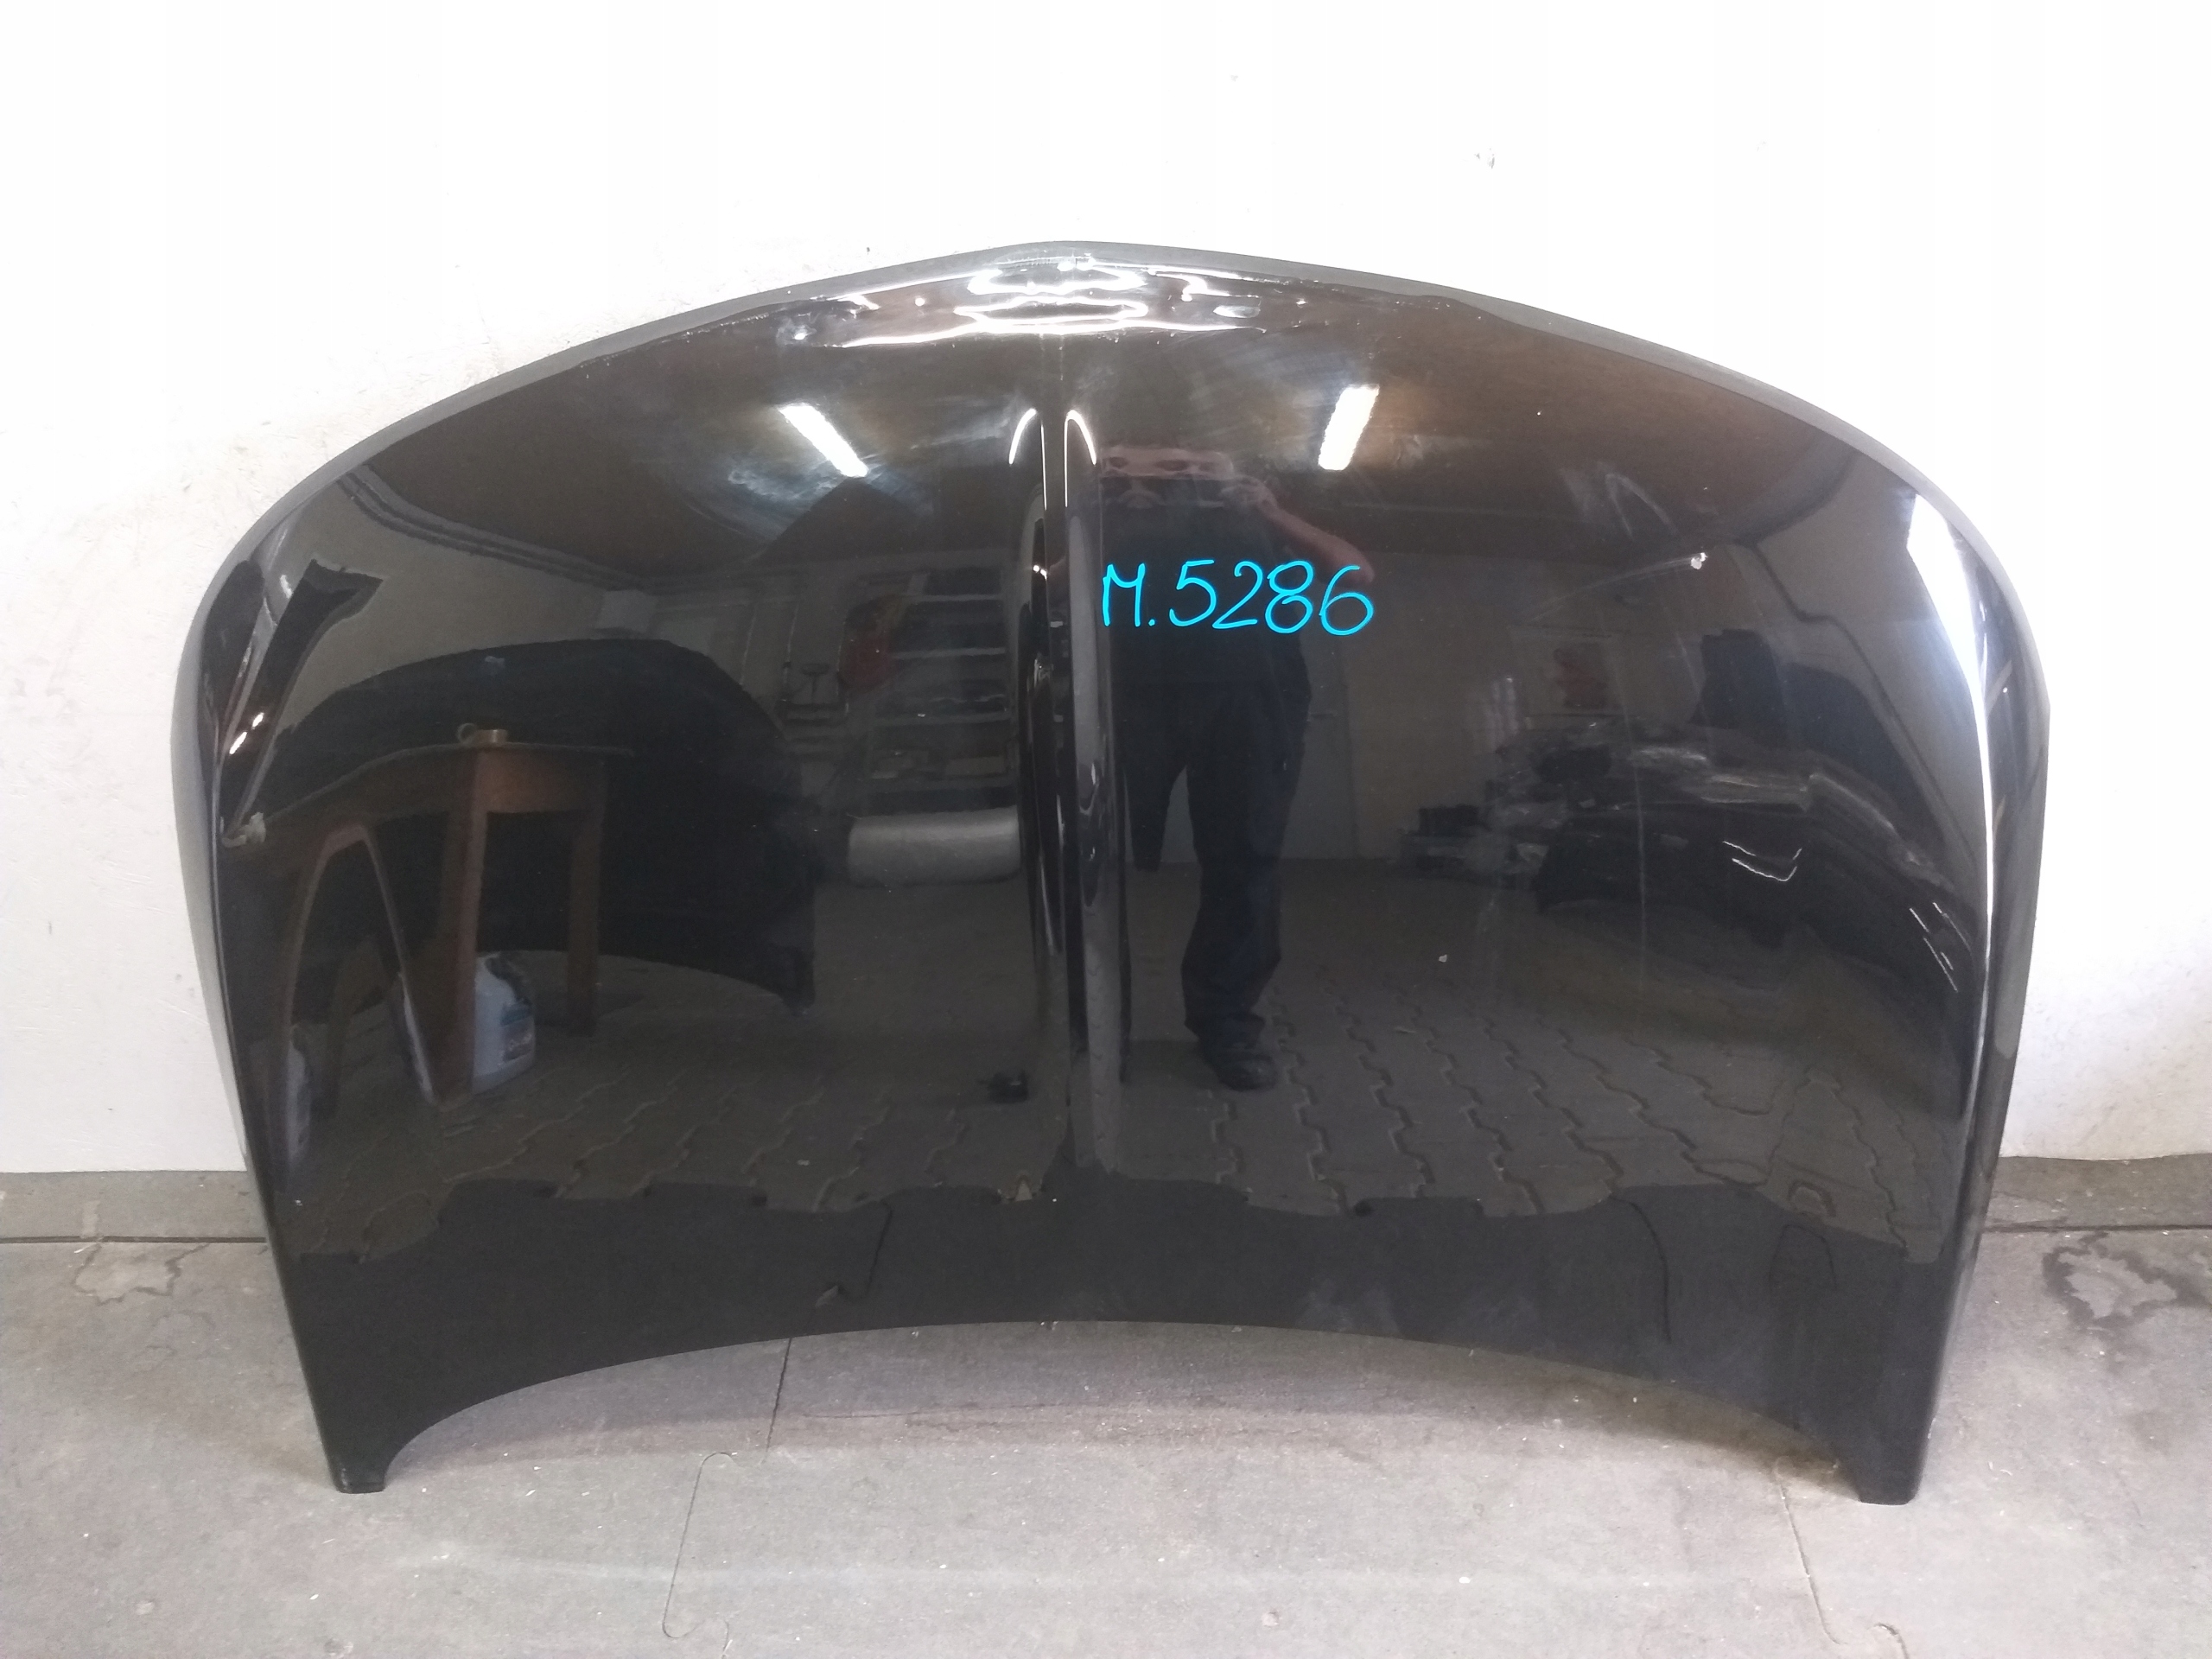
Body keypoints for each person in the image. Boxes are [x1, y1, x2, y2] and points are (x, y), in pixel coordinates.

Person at [1099, 445, 1369, 1090]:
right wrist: (1100, 517)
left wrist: (1272, 513)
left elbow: (1354, 574)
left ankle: (1225, 1023)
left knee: (1246, 860)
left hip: (1252, 699)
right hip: (1133, 700)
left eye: (1198, 464)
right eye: (1165, 467)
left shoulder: (1257, 519)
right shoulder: (1120, 521)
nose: (1184, 477)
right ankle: (1097, 1021)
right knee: (1094, 860)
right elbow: (1046, 588)